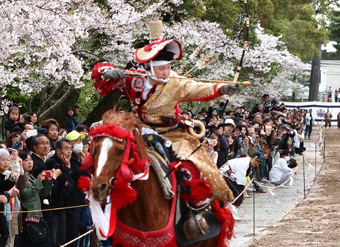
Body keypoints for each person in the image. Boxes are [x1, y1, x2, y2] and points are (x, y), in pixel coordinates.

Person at [91, 20, 237, 202]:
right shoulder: (134, 79)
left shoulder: (176, 81)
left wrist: (221, 88)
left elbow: (199, 88)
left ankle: (200, 207)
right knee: (109, 147)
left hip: (171, 131)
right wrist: (108, 72)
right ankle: (101, 190)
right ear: (148, 68)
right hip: (137, 127)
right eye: (161, 68)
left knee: (197, 163)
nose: (166, 72)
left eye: (168, 67)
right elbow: (101, 75)